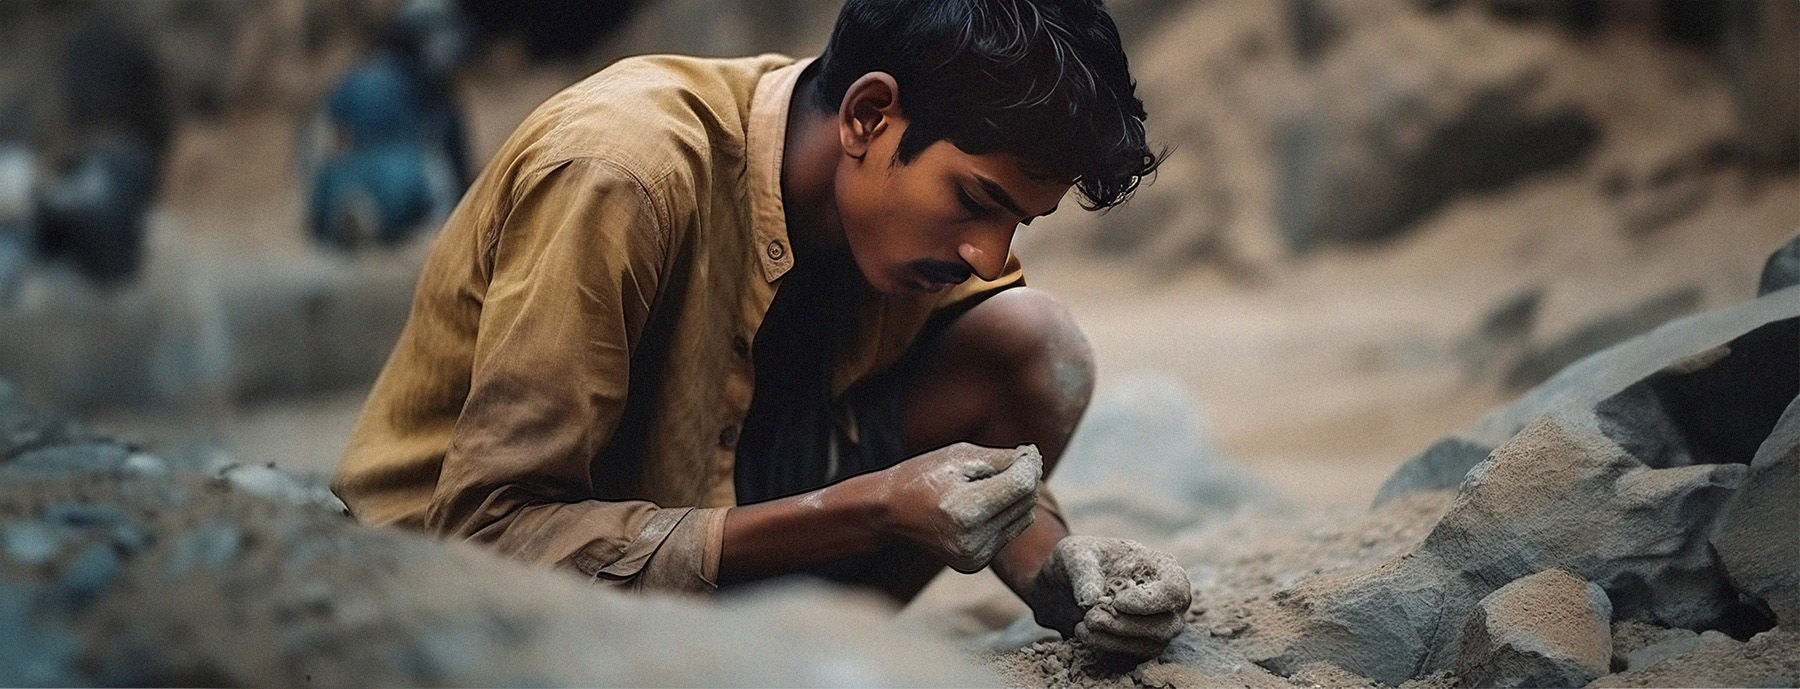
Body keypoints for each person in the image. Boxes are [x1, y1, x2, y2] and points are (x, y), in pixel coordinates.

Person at [334, 0, 1191, 659]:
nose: (986, 252)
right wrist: (869, 509)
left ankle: (816, 649)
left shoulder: (902, 227)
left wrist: (1062, 573)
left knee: (1038, 350)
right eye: (976, 201)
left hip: (706, 540)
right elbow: (486, 536)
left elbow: (978, 468)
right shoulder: (621, 172)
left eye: (1019, 224)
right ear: (866, 117)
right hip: (450, 601)